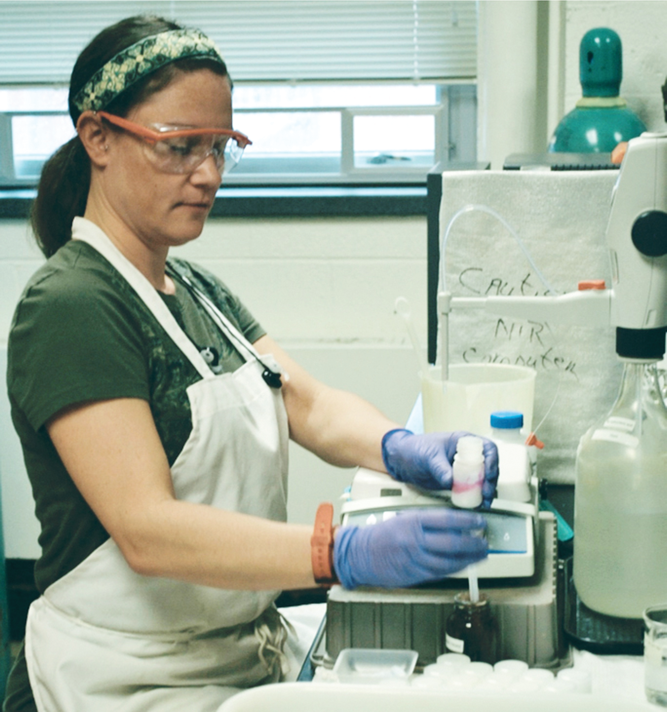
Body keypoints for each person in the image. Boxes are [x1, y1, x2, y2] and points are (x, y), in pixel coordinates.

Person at [4, 15, 499, 712]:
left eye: (219, 146)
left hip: (236, 648)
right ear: (98, 138)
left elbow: (311, 406)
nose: (207, 175)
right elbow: (148, 530)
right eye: (179, 148)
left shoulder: (194, 288)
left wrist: (400, 447)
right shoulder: (72, 306)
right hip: (128, 674)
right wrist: (338, 553)